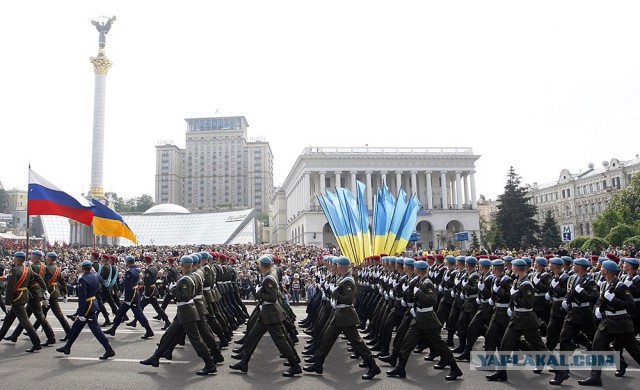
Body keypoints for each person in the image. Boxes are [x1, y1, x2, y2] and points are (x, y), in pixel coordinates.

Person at [303, 256, 381, 380]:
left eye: (337, 266)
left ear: (340, 266)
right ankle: (318, 363)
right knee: (327, 338)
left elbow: (348, 299)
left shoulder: (348, 280)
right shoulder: (342, 278)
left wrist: (335, 293)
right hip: (340, 314)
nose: (335, 267)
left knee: (356, 342)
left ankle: (373, 366)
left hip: (345, 315)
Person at [140, 255, 216, 375]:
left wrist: (173, 290)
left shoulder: (186, 279)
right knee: (169, 334)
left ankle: (210, 364)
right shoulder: (192, 276)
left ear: (181, 265)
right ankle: (155, 357)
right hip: (185, 312)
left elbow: (185, 297)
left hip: (186, 312)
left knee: (196, 339)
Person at [386, 260, 463, 380]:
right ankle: (401, 367)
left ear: (417, 269)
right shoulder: (417, 281)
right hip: (418, 317)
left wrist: (418, 292)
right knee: (407, 342)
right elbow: (408, 293)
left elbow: (432, 300)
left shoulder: (427, 283)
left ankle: (455, 368)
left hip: (427, 319)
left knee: (439, 345)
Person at [230, 254, 302, 377]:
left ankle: (295, 365)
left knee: (281, 341)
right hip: (266, 313)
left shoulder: (269, 278)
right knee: (253, 336)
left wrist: (259, 294)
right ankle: (244, 362)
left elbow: (273, 297)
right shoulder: (269, 275)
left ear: (262, 265)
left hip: (271, 314)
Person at [577, 260, 640, 386]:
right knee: (597, 346)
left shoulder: (620, 286)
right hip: (606, 322)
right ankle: (595, 377)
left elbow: (630, 305)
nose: (601, 269)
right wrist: (598, 309)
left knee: (635, 351)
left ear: (607, 271)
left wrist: (614, 300)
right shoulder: (604, 283)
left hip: (621, 323)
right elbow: (600, 300)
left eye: (603, 268)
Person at [486, 258, 549, 382]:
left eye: (513, 267)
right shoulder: (517, 281)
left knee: (539, 347)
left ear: (516, 268)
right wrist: (511, 307)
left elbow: (528, 304)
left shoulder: (526, 284)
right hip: (516, 318)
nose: (510, 268)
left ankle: (561, 371)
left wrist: (514, 295)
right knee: (505, 345)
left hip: (526, 319)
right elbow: (513, 300)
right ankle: (501, 372)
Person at [55, 260, 115, 359]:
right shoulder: (96, 275)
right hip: (93, 302)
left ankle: (109, 349)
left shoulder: (83, 279)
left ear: (82, 268)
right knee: (76, 327)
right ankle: (67, 347)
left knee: (96, 330)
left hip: (87, 307)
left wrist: (81, 313)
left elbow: (82, 298)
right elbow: (102, 284)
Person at [0, 251, 43, 352]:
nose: (13, 260)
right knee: (7, 321)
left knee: (25, 322)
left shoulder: (14, 270)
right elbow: (39, 278)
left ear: (17, 259)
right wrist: (44, 289)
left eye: (14, 258)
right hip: (23, 296)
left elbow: (10, 288)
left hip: (16, 299)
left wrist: (7, 303)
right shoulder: (27, 269)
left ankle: (37, 343)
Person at [104, 256, 154, 339]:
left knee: (138, 313)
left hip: (131, 295)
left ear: (127, 262)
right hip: (135, 293)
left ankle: (149, 330)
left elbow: (128, 286)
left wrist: (127, 299)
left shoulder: (129, 272)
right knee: (121, 312)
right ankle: (113, 329)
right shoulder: (137, 269)